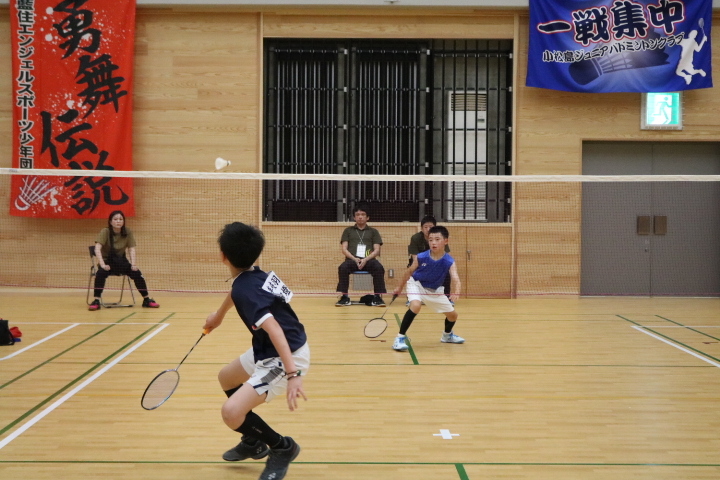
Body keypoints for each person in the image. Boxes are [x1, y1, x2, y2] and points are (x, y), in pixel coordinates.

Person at [203, 222, 309, 480]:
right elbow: (236, 291)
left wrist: (293, 375)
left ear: (223, 256)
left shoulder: (246, 289)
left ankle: (282, 447)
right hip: (269, 348)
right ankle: (254, 441)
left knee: (231, 413)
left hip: (285, 357)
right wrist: (218, 317)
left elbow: (275, 330)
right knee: (226, 378)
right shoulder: (256, 275)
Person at [391, 225, 463, 352]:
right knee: (416, 305)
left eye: (437, 239)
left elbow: (456, 278)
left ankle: (447, 336)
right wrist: (399, 287)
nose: (433, 243)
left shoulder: (449, 261)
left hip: (435, 291)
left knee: (453, 316)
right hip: (417, 284)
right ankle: (400, 338)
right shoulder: (421, 257)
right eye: (430, 240)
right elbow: (409, 272)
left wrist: (456, 292)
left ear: (446, 241)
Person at [88, 210, 159, 311]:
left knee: (137, 273)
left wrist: (133, 264)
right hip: (107, 262)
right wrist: (102, 265)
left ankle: (146, 299)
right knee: (100, 274)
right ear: (110, 221)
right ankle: (96, 300)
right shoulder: (105, 232)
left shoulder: (127, 232)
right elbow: (97, 248)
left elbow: (131, 249)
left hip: (121, 262)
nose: (118, 221)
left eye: (121, 219)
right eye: (115, 219)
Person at [335, 204, 387, 307]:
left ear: (367, 217)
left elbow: (377, 250)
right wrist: (355, 259)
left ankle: (377, 297)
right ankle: (344, 297)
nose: (360, 217)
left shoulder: (373, 231)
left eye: (363, 214)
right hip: (352, 260)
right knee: (343, 267)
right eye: (357, 215)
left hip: (369, 260)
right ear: (354, 217)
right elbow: (344, 249)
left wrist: (365, 259)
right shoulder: (348, 231)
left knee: (378, 267)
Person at [407, 215, 451, 302]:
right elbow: (414, 256)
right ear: (421, 228)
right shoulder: (416, 238)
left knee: (447, 272)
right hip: (419, 264)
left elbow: (446, 256)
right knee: (411, 271)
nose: (428, 229)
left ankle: (447, 297)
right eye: (425, 227)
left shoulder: (440, 238)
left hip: (436, 263)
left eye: (430, 227)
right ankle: (412, 298)